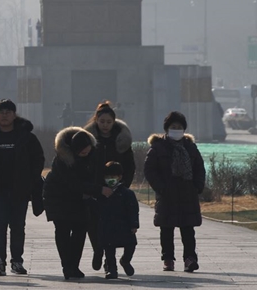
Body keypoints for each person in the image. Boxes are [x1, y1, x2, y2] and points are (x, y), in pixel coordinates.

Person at [0, 99, 45, 276]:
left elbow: (38, 159)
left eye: (8, 112)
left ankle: (17, 261)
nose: (4, 115)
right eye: (1, 112)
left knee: (18, 226)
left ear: (14, 115)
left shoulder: (26, 137)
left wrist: (31, 180)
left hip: (19, 190)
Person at [43, 128, 112, 280]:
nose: (85, 154)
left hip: (80, 199)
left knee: (80, 230)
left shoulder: (93, 154)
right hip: (58, 198)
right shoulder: (62, 160)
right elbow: (73, 183)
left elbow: (95, 174)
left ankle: (74, 265)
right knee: (63, 231)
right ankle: (67, 267)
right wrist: (98, 190)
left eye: (87, 151)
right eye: (82, 153)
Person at [144, 111, 205, 272]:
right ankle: (168, 259)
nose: (176, 129)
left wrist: (197, 186)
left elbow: (199, 168)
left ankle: (190, 259)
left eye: (179, 127)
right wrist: (161, 188)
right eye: (173, 127)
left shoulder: (190, 147)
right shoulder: (158, 147)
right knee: (166, 229)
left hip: (187, 193)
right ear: (167, 129)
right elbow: (149, 169)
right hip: (167, 194)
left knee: (188, 229)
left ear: (184, 129)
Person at [83, 101, 135, 272]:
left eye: (108, 122)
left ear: (114, 122)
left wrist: (122, 187)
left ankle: (108, 260)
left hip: (116, 190)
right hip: (95, 189)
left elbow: (130, 166)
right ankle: (98, 250)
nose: (105, 125)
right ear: (96, 121)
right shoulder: (88, 139)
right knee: (93, 224)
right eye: (102, 121)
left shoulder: (121, 140)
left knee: (112, 225)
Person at [99, 161, 139, 279]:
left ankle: (125, 260)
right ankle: (111, 269)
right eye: (107, 177)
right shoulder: (102, 192)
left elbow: (133, 210)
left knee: (131, 245)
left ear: (120, 177)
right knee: (109, 249)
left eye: (113, 177)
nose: (110, 179)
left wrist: (134, 224)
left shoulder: (127, 193)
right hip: (108, 226)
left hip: (125, 226)